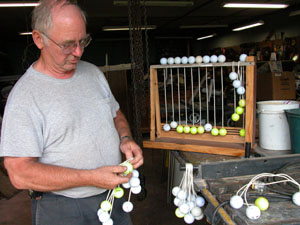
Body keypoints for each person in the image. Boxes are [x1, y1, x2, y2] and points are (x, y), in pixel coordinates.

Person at [0, 0, 143, 224]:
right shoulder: (25, 97)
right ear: (39, 39)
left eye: (82, 41)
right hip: (62, 206)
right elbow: (19, 173)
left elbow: (115, 113)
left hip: (111, 194)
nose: (78, 52)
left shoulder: (93, 73)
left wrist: (126, 138)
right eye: (67, 44)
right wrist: (91, 178)